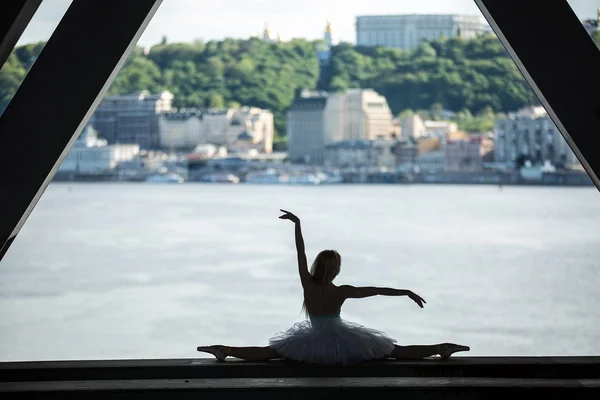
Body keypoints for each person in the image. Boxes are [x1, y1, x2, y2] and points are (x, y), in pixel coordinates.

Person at [197, 209, 469, 365]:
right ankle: (439, 347)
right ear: (336, 270)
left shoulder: (308, 283)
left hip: (313, 339)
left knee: (271, 353)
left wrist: (297, 224)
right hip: (342, 338)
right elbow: (376, 290)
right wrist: (406, 292)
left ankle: (226, 350)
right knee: (394, 352)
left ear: (318, 267)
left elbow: (300, 253)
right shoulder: (342, 290)